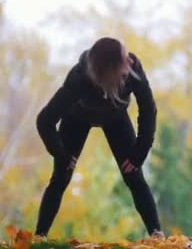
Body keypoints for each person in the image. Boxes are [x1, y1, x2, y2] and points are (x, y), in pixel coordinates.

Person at [34, 37, 163, 239]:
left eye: (127, 54)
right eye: (124, 59)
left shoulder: (133, 68)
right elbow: (44, 121)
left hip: (115, 117)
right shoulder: (78, 79)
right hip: (77, 117)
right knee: (60, 177)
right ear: (110, 70)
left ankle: (157, 235)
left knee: (134, 175)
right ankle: (39, 237)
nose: (130, 61)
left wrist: (140, 153)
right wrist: (61, 154)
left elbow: (148, 110)